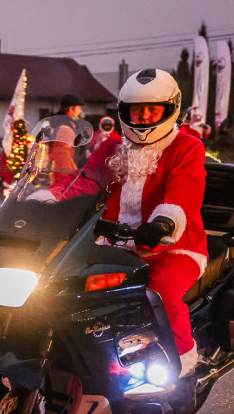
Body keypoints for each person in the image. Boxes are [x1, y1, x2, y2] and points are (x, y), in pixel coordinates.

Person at [58, 68, 208, 376]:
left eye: (152, 110)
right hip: (115, 245)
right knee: (70, 284)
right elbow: (85, 182)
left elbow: (186, 188)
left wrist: (164, 222)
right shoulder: (113, 147)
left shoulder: (187, 147)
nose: (143, 118)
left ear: (170, 109)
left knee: (160, 292)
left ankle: (181, 364)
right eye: (136, 111)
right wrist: (47, 200)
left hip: (174, 248)